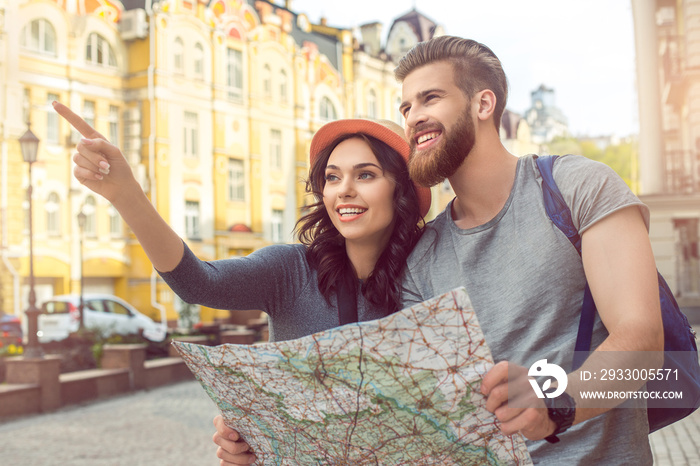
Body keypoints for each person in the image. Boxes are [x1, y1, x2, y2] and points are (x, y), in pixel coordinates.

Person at [214, 35, 664, 465]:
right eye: (406, 107)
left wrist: (555, 401)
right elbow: (414, 408)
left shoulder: (575, 186)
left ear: (483, 103)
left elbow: (643, 344)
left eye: (430, 99)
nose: (412, 118)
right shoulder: (423, 257)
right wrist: (261, 431)